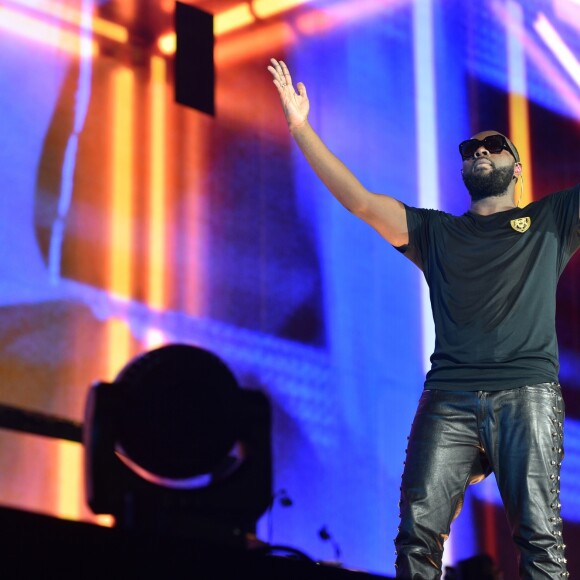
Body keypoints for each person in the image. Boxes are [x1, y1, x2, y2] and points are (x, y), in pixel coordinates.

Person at [267, 57, 579, 579]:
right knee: (416, 535)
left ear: (517, 167)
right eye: (470, 149)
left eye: (493, 145)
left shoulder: (551, 218)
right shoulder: (437, 233)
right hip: (450, 398)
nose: (480, 151)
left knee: (540, 538)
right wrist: (301, 127)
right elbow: (361, 202)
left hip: (526, 393)